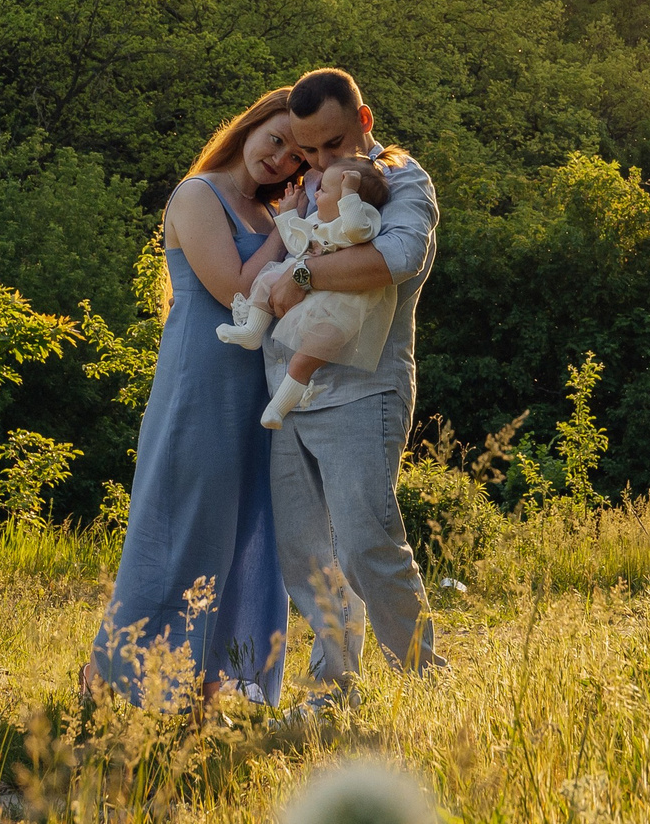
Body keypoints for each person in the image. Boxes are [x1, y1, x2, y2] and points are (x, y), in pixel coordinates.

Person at [85, 88, 303, 708]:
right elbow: (238, 290)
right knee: (179, 534)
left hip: (255, 395)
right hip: (199, 388)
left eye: (295, 155)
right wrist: (291, 232)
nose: (281, 158)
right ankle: (112, 676)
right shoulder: (197, 194)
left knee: (244, 540)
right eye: (276, 138)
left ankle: (210, 690)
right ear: (251, 126)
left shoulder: (266, 215)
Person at [265, 68, 444, 688]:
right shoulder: (306, 181)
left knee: (366, 547)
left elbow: (396, 259)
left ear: (363, 122)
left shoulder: (398, 178)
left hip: (364, 391)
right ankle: (332, 688)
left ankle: (427, 679)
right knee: (309, 557)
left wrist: (306, 274)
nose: (315, 161)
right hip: (288, 392)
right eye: (306, 149)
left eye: (331, 146)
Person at [216, 157, 395, 429]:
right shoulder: (318, 219)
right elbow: (296, 244)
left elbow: (357, 231)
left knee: (307, 357)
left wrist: (348, 193)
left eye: (325, 190)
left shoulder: (362, 219)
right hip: (305, 293)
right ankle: (252, 331)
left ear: (351, 199)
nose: (317, 194)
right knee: (268, 281)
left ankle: (279, 406)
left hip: (339, 306)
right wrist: (288, 214)